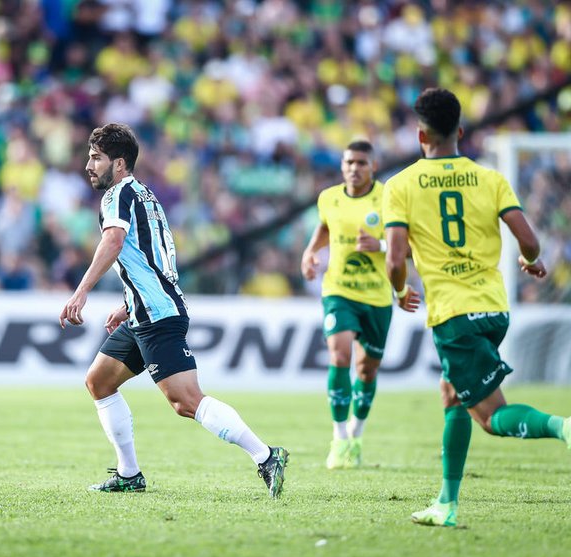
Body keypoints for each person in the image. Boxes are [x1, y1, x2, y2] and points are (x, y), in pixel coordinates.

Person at [60, 123, 289, 497]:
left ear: (119, 164)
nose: (89, 165)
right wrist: (126, 303)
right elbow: (157, 259)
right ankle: (129, 474)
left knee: (185, 401)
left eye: (96, 158)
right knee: (99, 382)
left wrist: (81, 291)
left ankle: (266, 456)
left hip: (156, 314)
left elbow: (114, 241)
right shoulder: (146, 196)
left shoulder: (117, 196)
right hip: (144, 311)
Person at [383, 87, 568, 527]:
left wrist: (397, 288)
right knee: (451, 395)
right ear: (460, 131)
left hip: (454, 314)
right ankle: (446, 505)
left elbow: (394, 257)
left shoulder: (401, 185)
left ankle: (563, 427)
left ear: (419, 134)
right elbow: (528, 238)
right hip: (495, 309)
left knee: (489, 417)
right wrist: (529, 260)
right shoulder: (490, 177)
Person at [301, 140, 392, 469]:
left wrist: (380, 244)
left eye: (361, 163)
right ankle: (339, 437)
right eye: (349, 162)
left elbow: (410, 244)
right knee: (339, 354)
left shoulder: (389, 199)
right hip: (339, 290)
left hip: (377, 296)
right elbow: (326, 226)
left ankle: (357, 431)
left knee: (366, 370)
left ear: (373, 167)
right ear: (342, 166)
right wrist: (310, 251)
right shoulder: (329, 197)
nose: (354, 168)